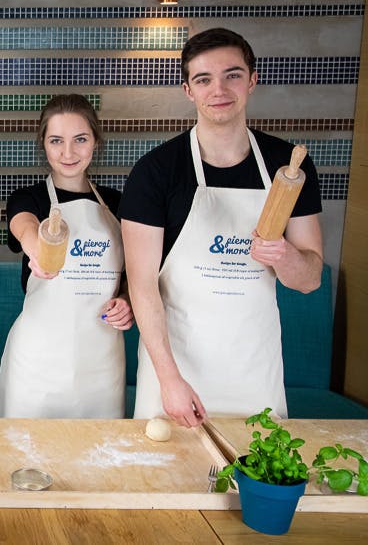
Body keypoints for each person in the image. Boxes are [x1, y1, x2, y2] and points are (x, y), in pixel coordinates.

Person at [120, 27, 323, 426]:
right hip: (177, 368)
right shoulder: (155, 172)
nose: (219, 89)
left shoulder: (290, 166)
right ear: (187, 90)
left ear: (252, 80)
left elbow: (309, 279)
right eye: (203, 79)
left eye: (232, 75)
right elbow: (142, 287)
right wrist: (169, 378)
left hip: (255, 368)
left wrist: (284, 255)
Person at [0, 94, 133, 418]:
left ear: (95, 141)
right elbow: (25, 227)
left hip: (102, 363)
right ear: (43, 143)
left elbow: (134, 272)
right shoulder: (27, 198)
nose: (68, 152)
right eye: (56, 140)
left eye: (80, 139)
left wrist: (127, 301)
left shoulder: (119, 204)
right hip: (38, 362)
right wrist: (39, 252)